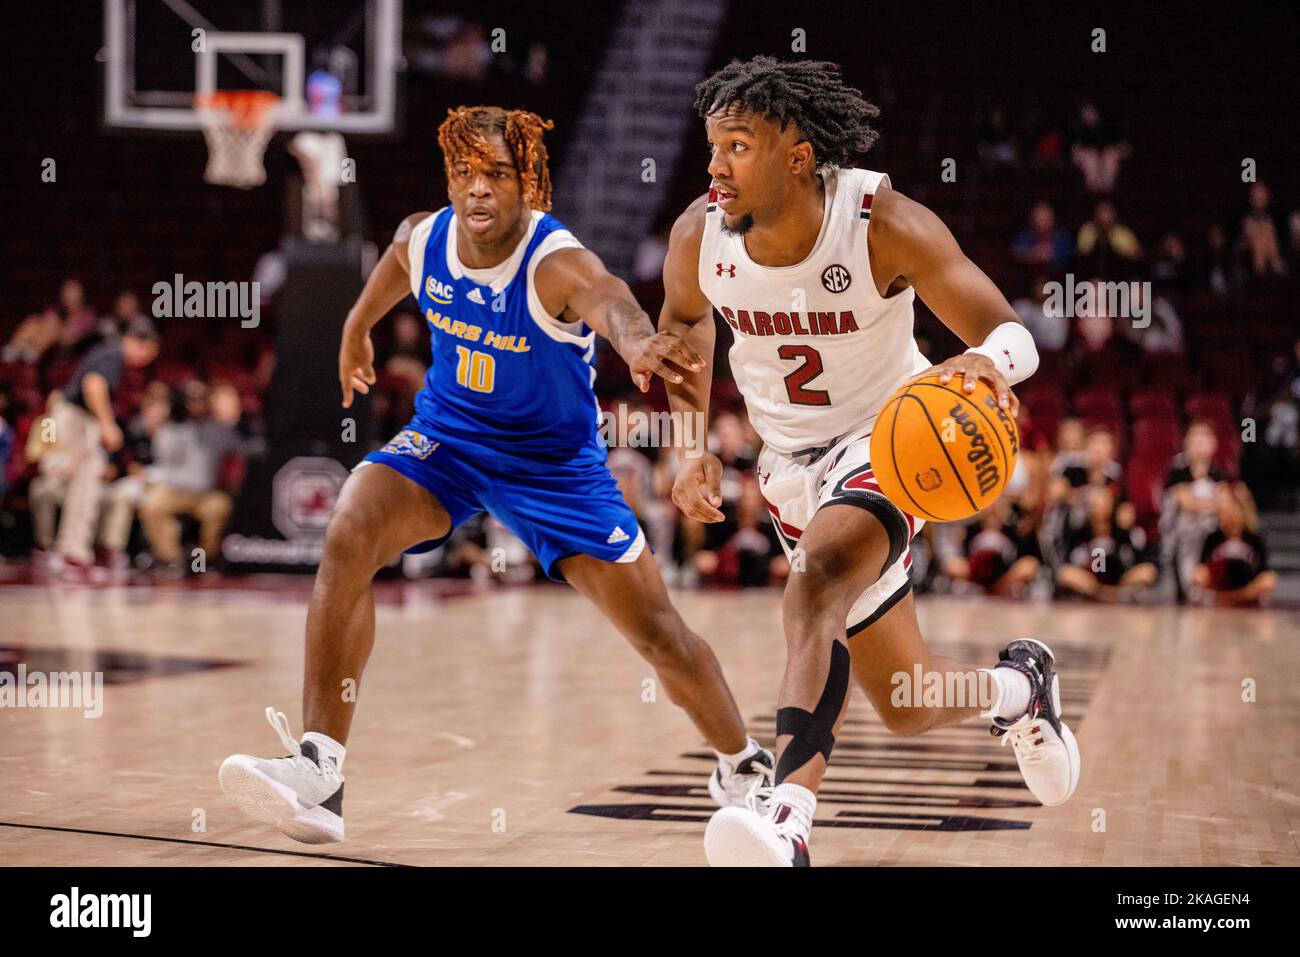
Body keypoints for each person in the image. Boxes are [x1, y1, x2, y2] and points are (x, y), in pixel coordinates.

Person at [219, 105, 771, 844]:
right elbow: (394, 258)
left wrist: (638, 345)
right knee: (350, 525)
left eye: (497, 175)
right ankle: (320, 772)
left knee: (659, 634)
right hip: (448, 440)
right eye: (463, 174)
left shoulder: (558, 265)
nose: (477, 190)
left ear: (530, 184)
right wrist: (356, 328)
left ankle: (744, 764)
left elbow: (615, 304)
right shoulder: (429, 236)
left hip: (553, 467)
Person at [659, 57, 1080, 866]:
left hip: (894, 440)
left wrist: (988, 360)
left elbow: (1011, 331)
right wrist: (689, 446)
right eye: (712, 145)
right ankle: (1023, 688)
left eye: (737, 146)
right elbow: (684, 328)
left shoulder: (881, 221)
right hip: (787, 463)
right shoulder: (698, 232)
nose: (714, 166)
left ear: (795, 155)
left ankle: (787, 822)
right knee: (907, 700)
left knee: (814, 582)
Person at [38, 318, 159, 576]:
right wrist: (107, 424)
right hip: (76, 420)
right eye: (148, 353)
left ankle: (72, 553)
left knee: (85, 485)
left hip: (75, 419)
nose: (146, 361)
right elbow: (93, 385)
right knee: (84, 486)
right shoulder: (114, 353)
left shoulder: (107, 351)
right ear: (140, 343)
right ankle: (72, 555)